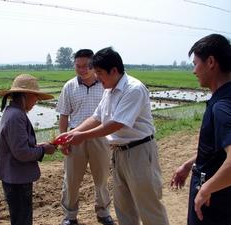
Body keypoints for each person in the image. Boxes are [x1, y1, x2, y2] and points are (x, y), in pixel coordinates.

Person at [57, 47, 169, 225]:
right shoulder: (109, 90)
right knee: (123, 206)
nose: (96, 77)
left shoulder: (134, 89)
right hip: (119, 152)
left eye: (99, 72)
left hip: (139, 151)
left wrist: (82, 136)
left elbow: (117, 123)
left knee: (148, 205)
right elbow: (97, 117)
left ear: (114, 70)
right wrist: (71, 133)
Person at [171, 34, 231, 225]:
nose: (193, 71)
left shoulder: (222, 106)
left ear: (211, 62)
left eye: (195, 63)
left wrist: (206, 189)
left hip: (215, 201)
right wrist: (189, 164)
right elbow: (218, 148)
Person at [56, 49, 114, 225]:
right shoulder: (69, 86)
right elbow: (64, 115)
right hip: (75, 137)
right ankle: (70, 216)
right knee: (71, 179)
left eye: (86, 66)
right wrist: (62, 139)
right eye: (78, 66)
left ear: (93, 65)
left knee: (102, 178)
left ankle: (103, 212)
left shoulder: (105, 86)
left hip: (101, 136)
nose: (82, 70)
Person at [0, 74, 57, 225]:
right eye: (35, 96)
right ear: (26, 95)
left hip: (15, 176)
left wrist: (37, 146)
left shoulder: (14, 113)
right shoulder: (16, 116)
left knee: (20, 216)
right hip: (16, 178)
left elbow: (18, 146)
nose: (36, 100)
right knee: (22, 218)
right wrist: (43, 151)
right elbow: (21, 153)